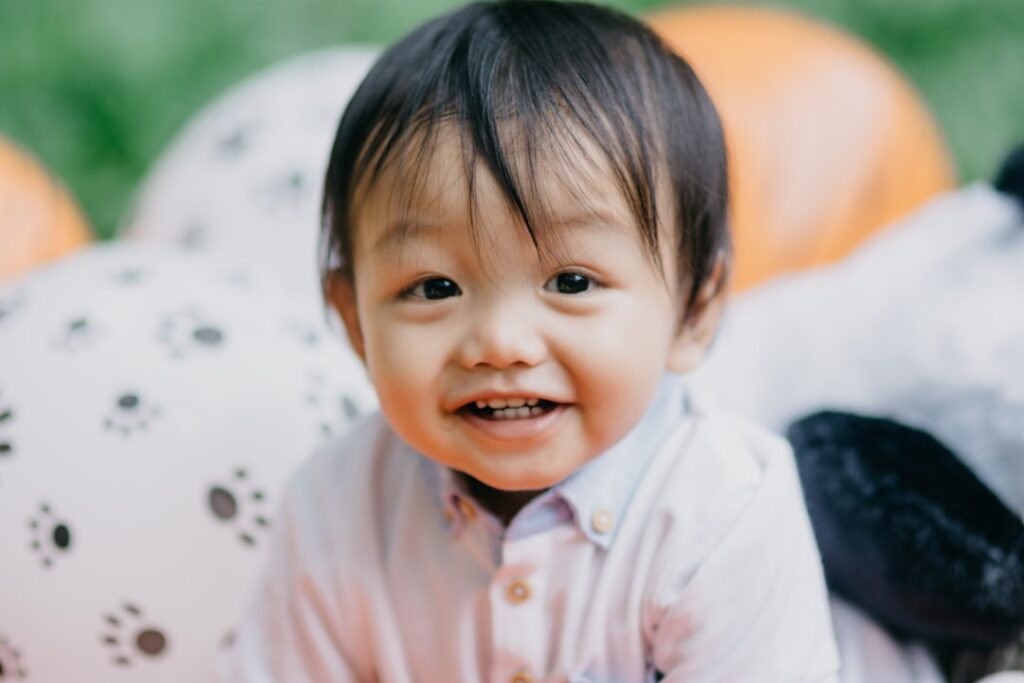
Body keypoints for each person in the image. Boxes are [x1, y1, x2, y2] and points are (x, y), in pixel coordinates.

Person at [220, 1, 839, 680]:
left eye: (571, 281)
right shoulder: (335, 507)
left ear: (695, 310)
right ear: (354, 322)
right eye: (434, 287)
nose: (501, 343)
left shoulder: (724, 514)